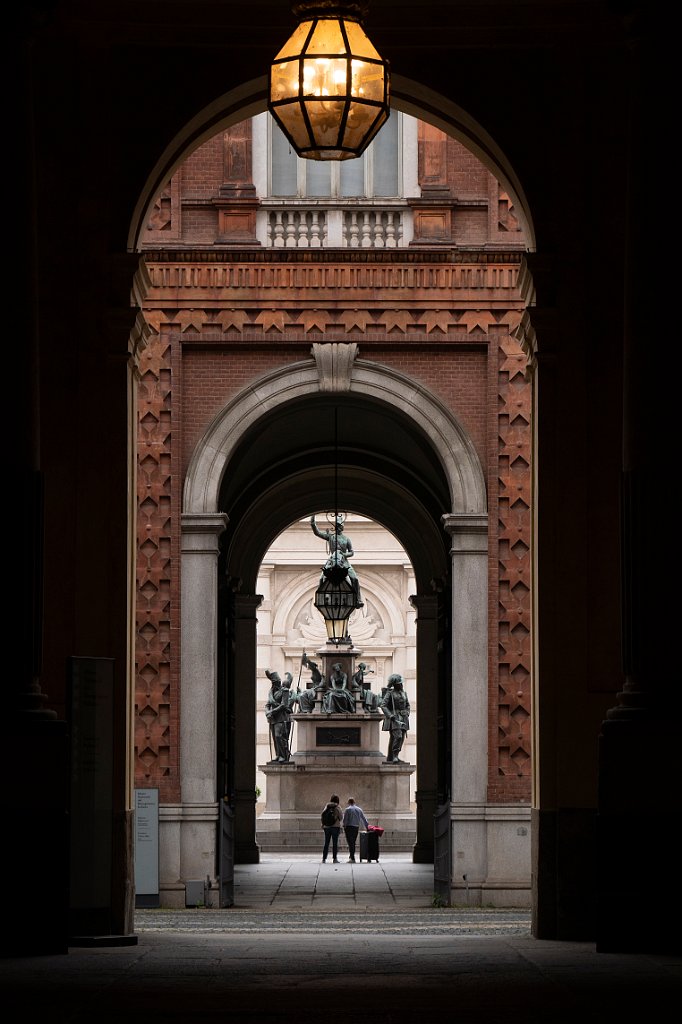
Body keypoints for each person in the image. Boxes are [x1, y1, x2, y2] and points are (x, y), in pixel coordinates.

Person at [310, 513, 363, 606]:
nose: (339, 528)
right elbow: (317, 533)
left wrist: (344, 554)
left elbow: (352, 552)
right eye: (337, 526)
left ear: (342, 528)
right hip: (332, 560)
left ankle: (358, 599)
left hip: (344, 561)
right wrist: (312, 521)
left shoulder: (346, 539)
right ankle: (320, 599)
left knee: (355, 578)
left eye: (340, 526)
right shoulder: (331, 537)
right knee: (322, 578)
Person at [264, 670, 296, 762]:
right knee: (274, 737)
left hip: (281, 718)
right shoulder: (271, 692)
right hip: (273, 718)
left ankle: (283, 756)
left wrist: (272, 711)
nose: (275, 683)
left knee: (279, 736)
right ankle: (278, 755)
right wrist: (267, 712)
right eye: (274, 682)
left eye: (276, 682)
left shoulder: (284, 691)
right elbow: (267, 704)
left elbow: (284, 705)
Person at [380, 674, 410, 763]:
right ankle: (395, 756)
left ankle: (392, 756)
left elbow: (407, 705)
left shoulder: (404, 693)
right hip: (395, 718)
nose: (401, 685)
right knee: (398, 737)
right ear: (395, 684)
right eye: (399, 683)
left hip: (404, 718)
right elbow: (383, 705)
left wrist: (407, 712)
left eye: (401, 683)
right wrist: (390, 716)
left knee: (401, 738)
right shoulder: (390, 693)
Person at [341, 796, 369, 862]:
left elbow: (345, 820)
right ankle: (351, 855)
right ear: (354, 802)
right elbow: (364, 819)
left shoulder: (347, 810)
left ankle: (352, 858)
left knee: (350, 842)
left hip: (349, 828)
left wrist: (344, 826)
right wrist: (367, 827)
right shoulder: (359, 809)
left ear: (349, 802)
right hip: (356, 827)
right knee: (353, 842)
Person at [320, 794, 342, 863]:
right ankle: (334, 858)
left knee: (326, 842)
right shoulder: (338, 807)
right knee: (335, 843)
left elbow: (323, 815)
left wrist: (323, 824)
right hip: (335, 827)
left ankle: (324, 858)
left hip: (327, 827)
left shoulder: (327, 806)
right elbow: (341, 817)